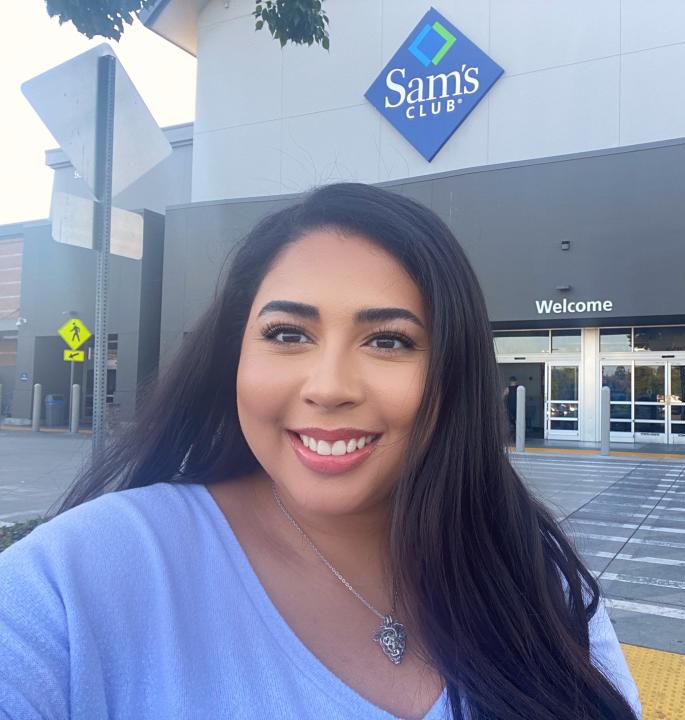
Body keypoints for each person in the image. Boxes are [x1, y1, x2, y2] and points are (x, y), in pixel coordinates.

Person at [0, 184, 642, 719]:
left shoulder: (530, 576)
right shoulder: (78, 580)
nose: (330, 387)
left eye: (389, 341)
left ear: (452, 375)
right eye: (288, 333)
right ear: (235, 358)